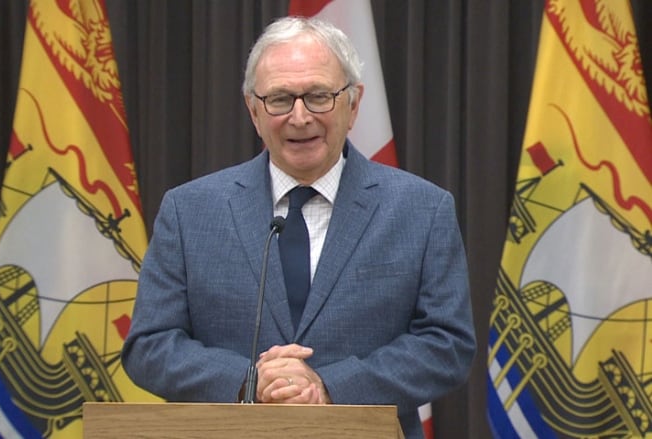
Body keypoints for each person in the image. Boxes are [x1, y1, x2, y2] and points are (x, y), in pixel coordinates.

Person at [122, 16, 476, 438]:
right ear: (253, 110)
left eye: (318, 96)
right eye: (280, 99)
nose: (300, 116)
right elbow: (149, 345)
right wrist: (251, 382)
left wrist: (329, 386)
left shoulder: (422, 209)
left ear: (354, 103)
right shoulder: (190, 210)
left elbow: (446, 345)